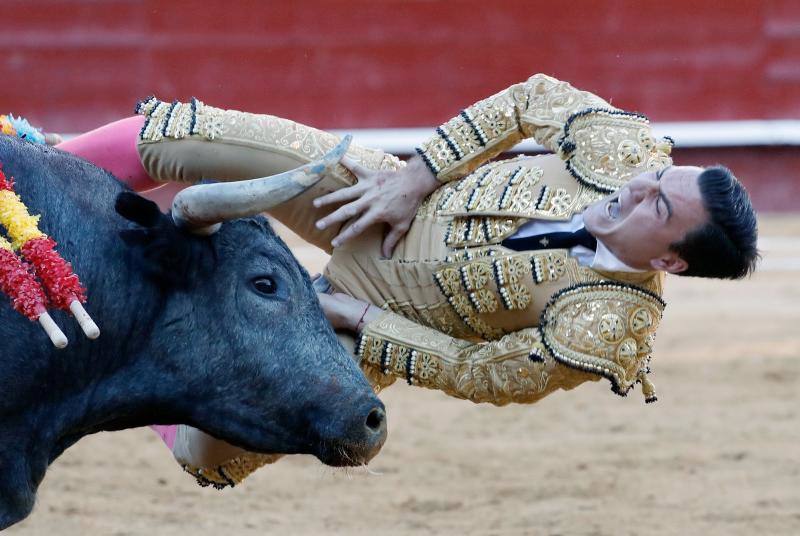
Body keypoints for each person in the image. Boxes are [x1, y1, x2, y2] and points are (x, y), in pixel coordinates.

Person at [58, 73, 758, 488]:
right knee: (183, 132)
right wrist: (415, 179)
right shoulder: (626, 149)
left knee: (205, 456)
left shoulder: (607, 331)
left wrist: (352, 320)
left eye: (656, 206)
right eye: (656, 179)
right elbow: (528, 99)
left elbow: (475, 371)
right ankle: (29, 172)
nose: (635, 188)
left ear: (670, 262)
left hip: (374, 328)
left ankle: (139, 333)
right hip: (379, 198)